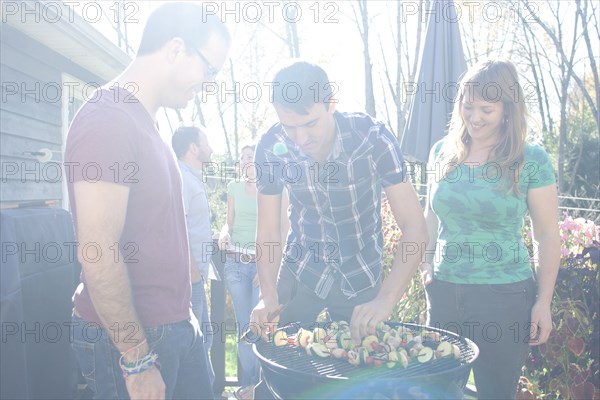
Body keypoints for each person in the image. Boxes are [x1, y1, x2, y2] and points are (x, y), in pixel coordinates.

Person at [64, 3, 230, 399]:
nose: (208, 85)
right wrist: (136, 359)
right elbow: (98, 249)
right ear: (176, 49)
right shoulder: (108, 119)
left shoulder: (147, 123)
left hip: (172, 329)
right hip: (132, 345)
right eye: (210, 70)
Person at [250, 61, 428, 344]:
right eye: (289, 127)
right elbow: (269, 232)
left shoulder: (373, 137)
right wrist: (267, 296)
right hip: (300, 271)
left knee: (359, 374)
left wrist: (386, 300)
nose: (300, 139)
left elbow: (414, 227)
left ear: (331, 103)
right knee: (275, 363)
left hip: (360, 275)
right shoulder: (271, 146)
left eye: (310, 124)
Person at [420, 59, 560, 400]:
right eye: (468, 107)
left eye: (487, 108)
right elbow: (430, 218)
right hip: (445, 292)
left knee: (496, 394)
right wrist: (426, 268)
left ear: (508, 110)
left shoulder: (531, 160)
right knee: (435, 392)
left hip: (504, 297)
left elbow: (547, 236)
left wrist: (543, 302)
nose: (475, 117)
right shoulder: (441, 153)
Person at [218, 145, 288, 400]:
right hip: (236, 264)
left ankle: (262, 388)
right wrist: (225, 232)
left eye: (251, 156)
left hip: (262, 266)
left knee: (261, 325)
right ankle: (247, 386)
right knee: (243, 327)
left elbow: (282, 230)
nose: (246, 160)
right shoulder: (234, 188)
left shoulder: (273, 189)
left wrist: (269, 267)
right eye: (243, 157)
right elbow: (230, 220)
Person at [172, 125, 219, 390]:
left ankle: (208, 390)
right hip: (189, 279)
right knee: (196, 344)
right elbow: (177, 228)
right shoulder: (181, 178)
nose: (210, 148)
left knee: (206, 339)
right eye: (206, 142)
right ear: (193, 148)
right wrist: (192, 272)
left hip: (198, 274)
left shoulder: (193, 177)